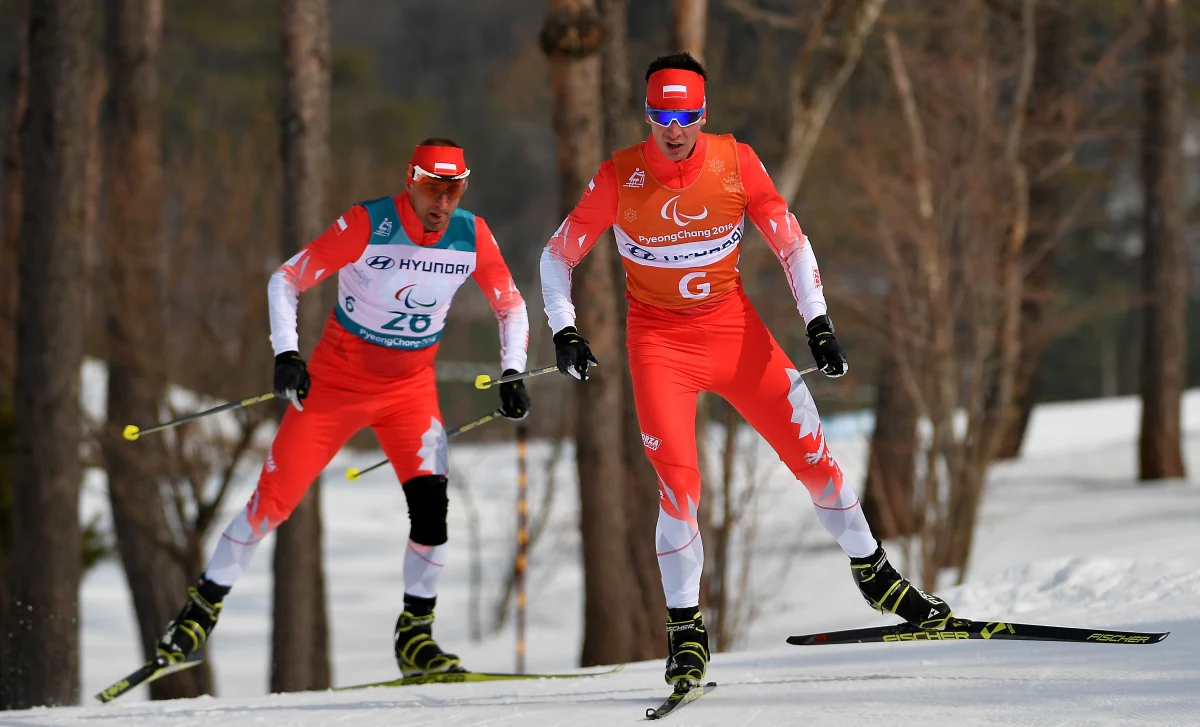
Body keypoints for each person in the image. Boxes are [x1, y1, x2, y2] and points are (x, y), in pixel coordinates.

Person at [540, 54, 951, 690]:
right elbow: (557, 255)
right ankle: (686, 633)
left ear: (704, 114)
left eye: (686, 115)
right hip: (660, 348)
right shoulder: (619, 176)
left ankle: (877, 578)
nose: (673, 128)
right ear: (647, 114)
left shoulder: (735, 163)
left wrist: (817, 322)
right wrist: (564, 327)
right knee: (680, 490)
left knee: (816, 458)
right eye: (660, 115)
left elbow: (791, 243)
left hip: (734, 336)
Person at [157, 138, 531, 677]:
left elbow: (511, 305)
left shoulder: (472, 235)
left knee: (431, 508)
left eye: (453, 189)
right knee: (273, 502)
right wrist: (286, 354)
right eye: (431, 187)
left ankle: (415, 636)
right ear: (411, 179)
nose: (441, 202)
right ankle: (198, 613)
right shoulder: (367, 223)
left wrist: (512, 369)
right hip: (334, 387)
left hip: (410, 392)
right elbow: (286, 279)